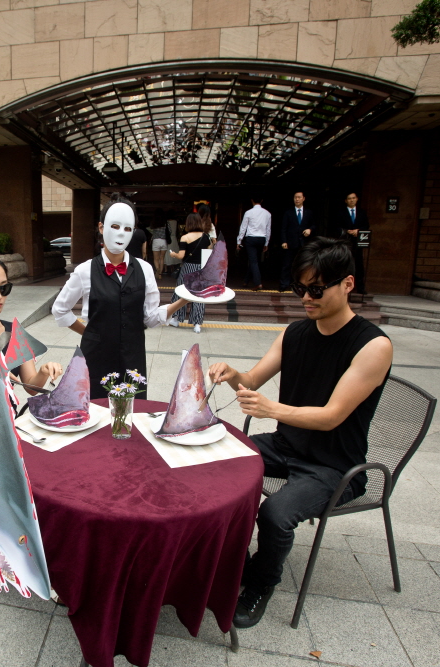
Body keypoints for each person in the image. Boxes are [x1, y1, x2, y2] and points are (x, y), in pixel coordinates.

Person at [208, 238, 393, 629]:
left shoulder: (373, 345)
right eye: (300, 288)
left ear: (347, 284)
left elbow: (332, 416)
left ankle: (260, 584)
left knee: (275, 514)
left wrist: (271, 409)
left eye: (315, 289)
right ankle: (234, 566)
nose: (306, 298)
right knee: (211, 462)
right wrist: (232, 374)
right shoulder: (295, 332)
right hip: (285, 444)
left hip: (335, 464)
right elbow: (254, 378)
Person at [52, 196, 189, 399]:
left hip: (132, 358)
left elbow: (150, 318)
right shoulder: (85, 270)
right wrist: (88, 333)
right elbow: (60, 310)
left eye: (127, 229)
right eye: (115, 226)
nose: (120, 233)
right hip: (96, 357)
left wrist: (183, 300)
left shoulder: (144, 269)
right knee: (96, 413)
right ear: (101, 227)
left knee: (131, 416)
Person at [0, 254, 63, 391]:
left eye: (4, 288)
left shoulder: (14, 331)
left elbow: (31, 387)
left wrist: (43, 372)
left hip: (7, 412)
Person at [168, 213, 213, 333]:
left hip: (188, 268)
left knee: (181, 292)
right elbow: (209, 254)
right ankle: (197, 324)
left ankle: (176, 319)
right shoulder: (206, 237)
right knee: (199, 295)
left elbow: (181, 255)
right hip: (201, 269)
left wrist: (173, 254)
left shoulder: (185, 237)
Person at [279, 192, 315, 291]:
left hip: (303, 243)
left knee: (302, 265)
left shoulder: (309, 212)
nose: (297, 199)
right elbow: (283, 228)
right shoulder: (288, 212)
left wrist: (310, 230)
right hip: (290, 243)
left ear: (303, 198)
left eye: (299, 197)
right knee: (287, 264)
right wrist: (284, 241)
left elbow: (314, 225)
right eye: (295, 197)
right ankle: (284, 285)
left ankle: (300, 285)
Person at [335, 192, 370, 294]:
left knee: (359, 265)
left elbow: (366, 226)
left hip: (358, 243)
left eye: (353, 198)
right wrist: (347, 231)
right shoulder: (341, 213)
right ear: (346, 201)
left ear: (357, 199)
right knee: (344, 264)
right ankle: (341, 287)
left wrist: (358, 230)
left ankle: (360, 288)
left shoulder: (362, 213)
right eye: (349, 198)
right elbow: (336, 227)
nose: (351, 200)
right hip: (345, 242)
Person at [237, 195, 271, 289]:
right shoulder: (267, 214)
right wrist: (266, 243)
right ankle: (246, 280)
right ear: (262, 200)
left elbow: (243, 227)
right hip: (261, 238)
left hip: (251, 239)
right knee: (255, 261)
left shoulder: (248, 213)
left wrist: (239, 241)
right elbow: (268, 230)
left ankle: (257, 283)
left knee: (253, 261)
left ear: (252, 200)